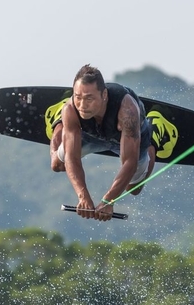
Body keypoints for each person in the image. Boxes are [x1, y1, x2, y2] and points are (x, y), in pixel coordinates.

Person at [50, 64, 156, 221]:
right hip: (91, 134)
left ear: (104, 94)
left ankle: (157, 132)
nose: (82, 105)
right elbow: (72, 158)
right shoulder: (72, 109)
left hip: (129, 138)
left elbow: (130, 162)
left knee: (133, 189)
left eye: (89, 98)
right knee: (57, 165)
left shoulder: (127, 111)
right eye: (78, 97)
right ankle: (58, 121)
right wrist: (83, 196)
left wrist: (108, 199)